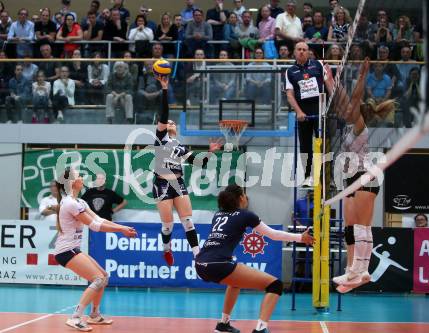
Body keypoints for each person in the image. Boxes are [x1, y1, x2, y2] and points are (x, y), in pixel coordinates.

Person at [195, 184, 314, 333]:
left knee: (234, 283)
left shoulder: (218, 215)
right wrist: (300, 237)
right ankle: (261, 328)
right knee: (275, 285)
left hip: (200, 264)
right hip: (219, 264)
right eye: (245, 195)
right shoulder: (245, 215)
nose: (247, 198)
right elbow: (273, 235)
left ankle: (223, 324)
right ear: (240, 198)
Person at [324, 58, 397, 293]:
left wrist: (363, 76)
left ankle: (362, 270)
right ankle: (352, 269)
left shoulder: (360, 126)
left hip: (366, 176)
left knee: (362, 227)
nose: (344, 110)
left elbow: (352, 100)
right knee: (349, 227)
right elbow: (342, 99)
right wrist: (330, 81)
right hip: (351, 179)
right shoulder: (348, 126)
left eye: (350, 110)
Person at [54, 167, 136, 331]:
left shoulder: (80, 202)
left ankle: (94, 315)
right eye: (79, 176)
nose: (82, 178)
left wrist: (122, 227)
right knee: (98, 279)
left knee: (104, 277)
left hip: (73, 249)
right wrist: (121, 230)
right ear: (72, 182)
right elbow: (95, 226)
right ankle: (75, 317)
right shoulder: (70, 203)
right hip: (65, 251)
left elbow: (99, 219)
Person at [154, 75, 222, 266]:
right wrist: (165, 89)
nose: (171, 123)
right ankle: (166, 249)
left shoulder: (181, 147)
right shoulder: (160, 138)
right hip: (162, 183)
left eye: (174, 123)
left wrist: (209, 153)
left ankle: (197, 255)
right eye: (169, 122)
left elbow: (199, 163)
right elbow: (164, 112)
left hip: (178, 182)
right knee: (167, 226)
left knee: (188, 222)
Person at [285, 42, 325, 187]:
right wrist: (299, 112)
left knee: (324, 143)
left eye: (304, 50)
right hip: (303, 112)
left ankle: (326, 176)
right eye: (299, 49)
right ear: (294, 52)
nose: (302, 52)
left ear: (309, 52)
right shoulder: (290, 71)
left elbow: (330, 84)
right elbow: (290, 95)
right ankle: (308, 176)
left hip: (320, 110)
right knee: (305, 146)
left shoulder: (318, 65)